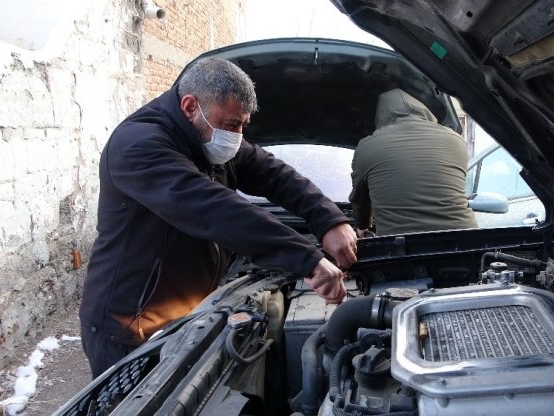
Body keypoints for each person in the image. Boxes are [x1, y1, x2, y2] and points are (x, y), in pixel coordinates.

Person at [80, 57, 357, 378]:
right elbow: (214, 209)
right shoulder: (138, 146)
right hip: (130, 326)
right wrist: (306, 259)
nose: (237, 136)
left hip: (186, 313)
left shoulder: (207, 136)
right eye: (231, 125)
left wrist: (329, 220)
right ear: (189, 107)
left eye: (242, 125)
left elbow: (273, 173)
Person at [349, 88, 477, 236]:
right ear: (423, 110)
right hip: (466, 240)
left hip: (404, 247)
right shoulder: (456, 140)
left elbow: (360, 199)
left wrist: (363, 225)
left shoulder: (367, 146)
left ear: (380, 116)